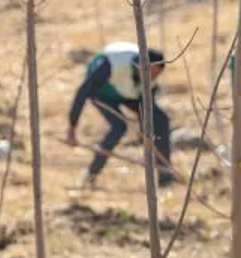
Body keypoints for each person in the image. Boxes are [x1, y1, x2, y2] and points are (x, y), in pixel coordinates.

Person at [65, 42, 177, 187]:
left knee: (161, 120)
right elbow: (83, 92)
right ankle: (91, 174)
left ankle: (165, 175)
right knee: (119, 126)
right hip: (102, 93)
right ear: (141, 65)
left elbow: (147, 110)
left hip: (129, 94)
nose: (152, 79)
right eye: (150, 73)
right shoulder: (111, 63)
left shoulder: (151, 80)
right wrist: (72, 127)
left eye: (156, 75)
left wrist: (146, 140)